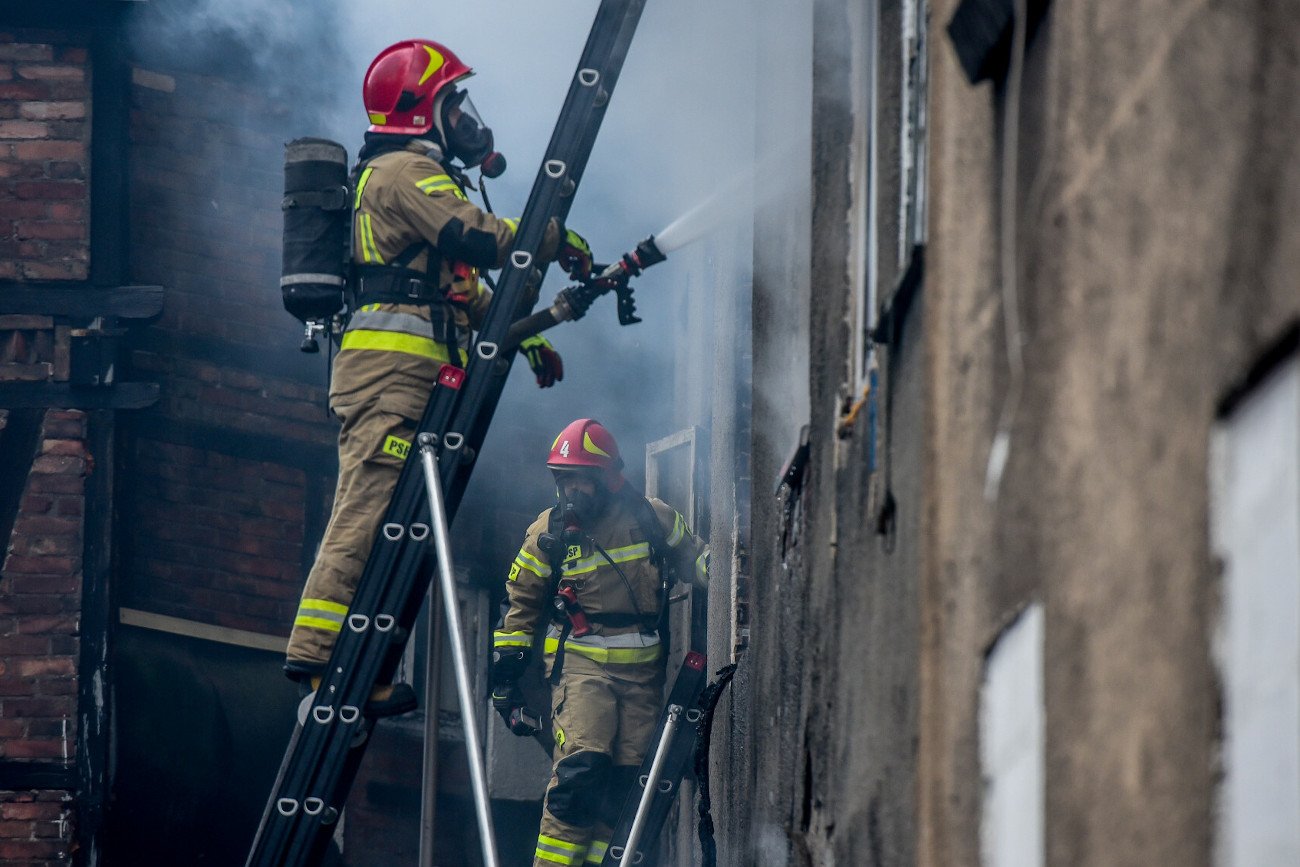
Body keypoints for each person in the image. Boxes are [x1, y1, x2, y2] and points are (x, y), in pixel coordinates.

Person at [284, 39, 593, 713]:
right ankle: (317, 659)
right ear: (420, 107)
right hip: (388, 380)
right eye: (454, 102)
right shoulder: (401, 174)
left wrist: (529, 337)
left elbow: (461, 288)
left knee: (400, 526)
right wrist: (551, 235)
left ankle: (369, 670)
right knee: (367, 513)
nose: (466, 118)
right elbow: (478, 238)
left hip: (413, 382)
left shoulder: (414, 177)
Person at [491, 418, 709, 866]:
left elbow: (698, 561)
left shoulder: (652, 517)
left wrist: (733, 567)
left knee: (625, 791)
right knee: (580, 773)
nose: (570, 490)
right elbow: (520, 608)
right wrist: (506, 678)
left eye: (579, 480)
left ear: (609, 478)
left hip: (642, 678)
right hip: (581, 669)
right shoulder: (546, 534)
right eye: (562, 479)